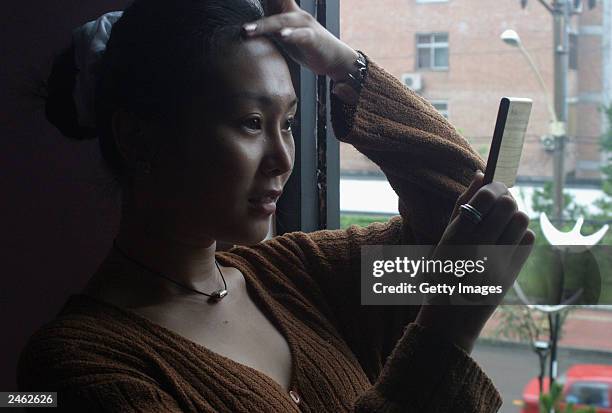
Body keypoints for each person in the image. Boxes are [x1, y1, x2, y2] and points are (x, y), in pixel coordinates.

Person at [17, 0, 535, 411]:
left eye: (286, 123)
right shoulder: (74, 369)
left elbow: (468, 224)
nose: (281, 158)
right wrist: (443, 338)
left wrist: (347, 68)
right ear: (138, 140)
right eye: (250, 122)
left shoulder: (298, 276)